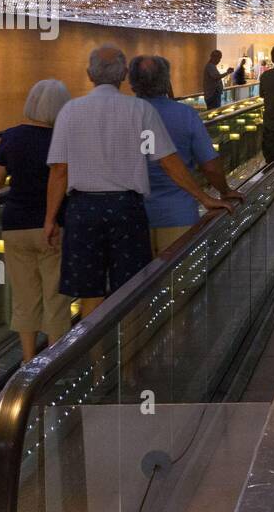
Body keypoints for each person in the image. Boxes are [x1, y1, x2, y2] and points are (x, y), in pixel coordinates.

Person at [45, 45, 237, 318]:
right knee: (131, 290)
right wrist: (206, 197)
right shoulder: (139, 111)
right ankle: (136, 357)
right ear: (123, 74)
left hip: (82, 210)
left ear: (90, 74)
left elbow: (59, 171)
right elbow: (169, 162)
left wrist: (50, 219)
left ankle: (97, 359)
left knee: (90, 293)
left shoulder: (70, 112)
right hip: (129, 208)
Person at [0, 79, 73, 362]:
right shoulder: (64, 137)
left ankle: (28, 360)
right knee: (55, 299)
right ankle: (52, 362)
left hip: (16, 224)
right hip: (54, 225)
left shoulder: (12, 136)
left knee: (24, 298)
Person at [129, 55, 245, 256]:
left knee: (138, 284)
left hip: (132, 216)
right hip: (177, 214)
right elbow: (209, 165)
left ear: (132, 84)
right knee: (178, 281)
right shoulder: (185, 114)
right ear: (166, 81)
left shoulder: (124, 114)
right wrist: (224, 190)